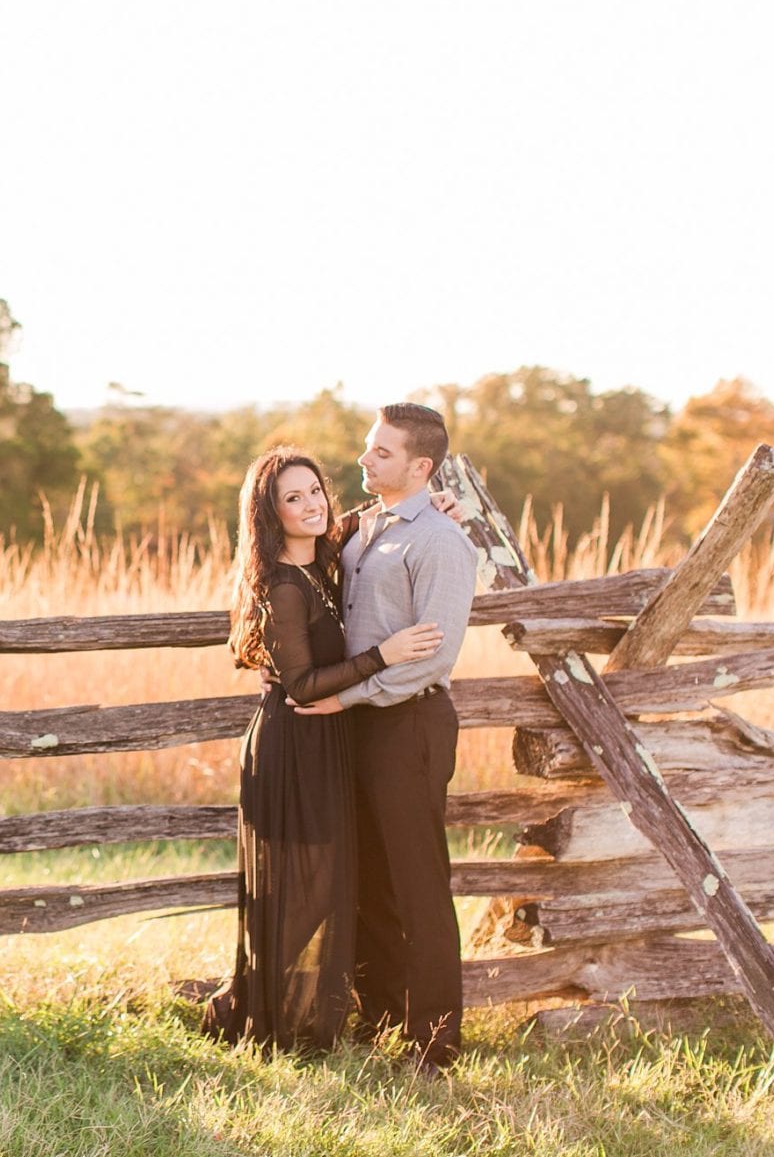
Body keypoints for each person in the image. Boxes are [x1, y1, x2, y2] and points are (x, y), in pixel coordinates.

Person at [202, 446, 444, 1053]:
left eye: (315, 491)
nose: (310, 505)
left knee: (330, 885)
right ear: (268, 512)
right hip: (293, 746)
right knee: (301, 891)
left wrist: (429, 505)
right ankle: (257, 1014)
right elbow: (302, 684)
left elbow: (356, 523)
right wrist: (383, 657)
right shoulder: (283, 584)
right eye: (292, 497)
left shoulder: (325, 559)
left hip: (327, 742)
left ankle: (288, 1007)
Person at [291, 403, 477, 1071]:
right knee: (368, 879)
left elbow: (432, 655)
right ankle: (382, 1017)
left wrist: (344, 693)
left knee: (418, 883)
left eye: (383, 453)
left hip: (409, 723)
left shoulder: (442, 542)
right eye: (370, 448)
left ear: (421, 467)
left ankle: (435, 1044)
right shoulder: (362, 530)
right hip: (357, 727)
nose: (366, 460)